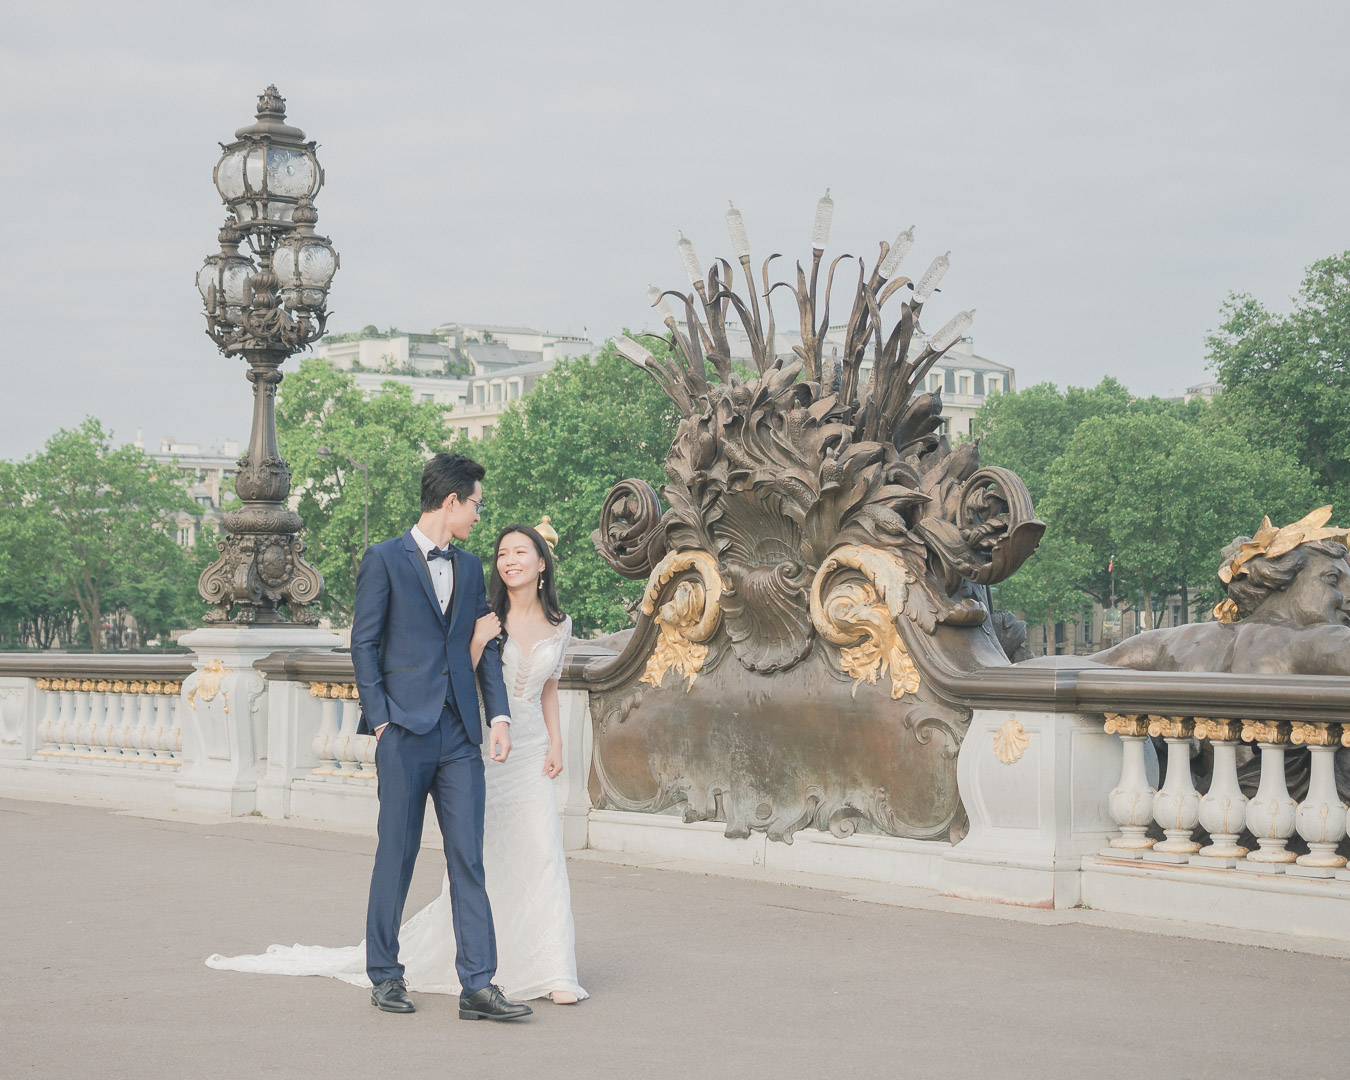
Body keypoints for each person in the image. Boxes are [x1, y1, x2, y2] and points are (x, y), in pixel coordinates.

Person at [205, 509, 586, 1008]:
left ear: (542, 563)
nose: (506, 558)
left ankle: (485, 981)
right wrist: (382, 720)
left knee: (489, 859)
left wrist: (506, 721)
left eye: (520, 552)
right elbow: (368, 643)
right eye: (502, 549)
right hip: (410, 732)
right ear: (452, 501)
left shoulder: (471, 571)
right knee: (398, 855)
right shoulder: (388, 560)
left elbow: (528, 681)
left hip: (479, 741)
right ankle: (385, 973)